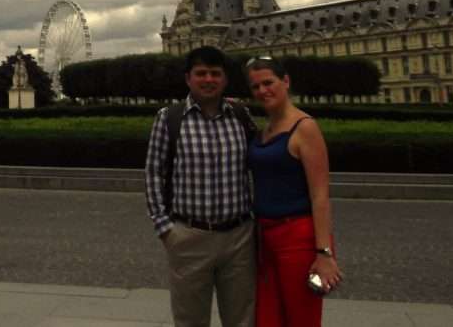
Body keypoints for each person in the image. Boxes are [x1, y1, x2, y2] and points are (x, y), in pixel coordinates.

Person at [146, 46, 256, 327]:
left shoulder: (242, 117)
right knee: (190, 321)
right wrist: (166, 229)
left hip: (239, 238)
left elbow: (261, 166)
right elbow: (154, 173)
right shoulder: (169, 118)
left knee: (243, 319)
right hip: (189, 236)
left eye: (215, 74)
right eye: (201, 73)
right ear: (188, 78)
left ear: (225, 79)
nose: (209, 79)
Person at [245, 57, 343, 327]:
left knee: (300, 319)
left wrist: (324, 254)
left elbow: (320, 196)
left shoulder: (305, 128)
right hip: (265, 238)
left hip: (297, 238)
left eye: (269, 82)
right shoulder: (265, 129)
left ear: (285, 81)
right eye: (255, 87)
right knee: (269, 319)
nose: (263, 91)